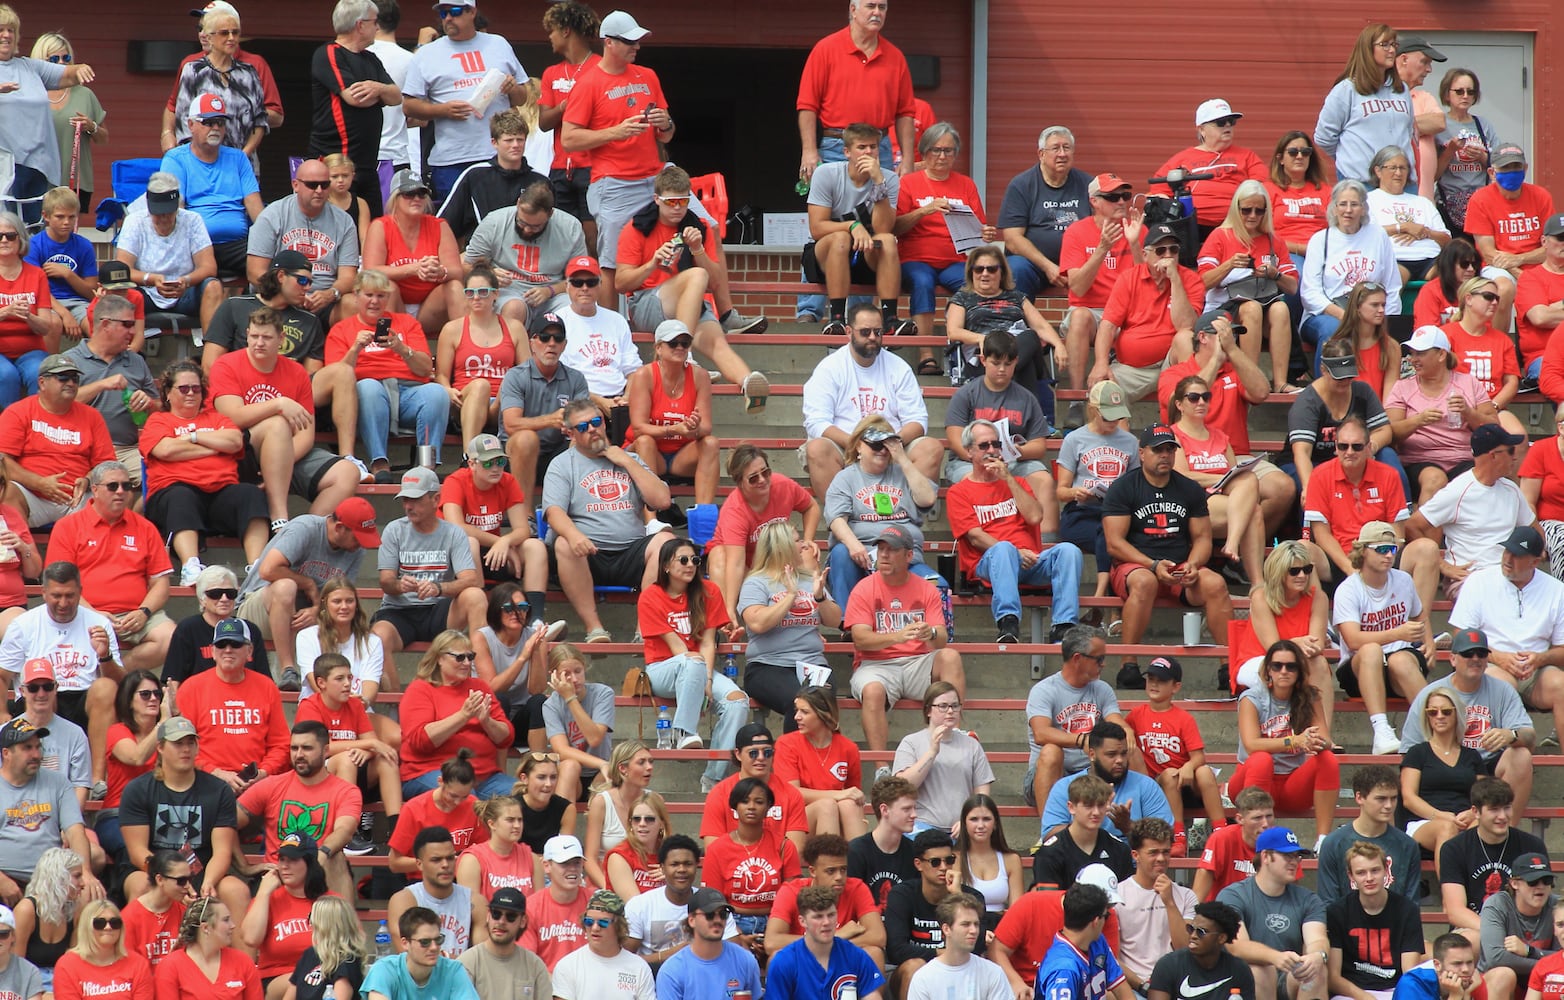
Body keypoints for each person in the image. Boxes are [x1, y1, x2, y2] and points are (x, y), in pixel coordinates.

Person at [613, 168, 768, 403]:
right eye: (671, 202)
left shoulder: (699, 226)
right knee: (696, 275)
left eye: (683, 201)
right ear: (657, 200)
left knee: (717, 341)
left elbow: (715, 282)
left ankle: (749, 384)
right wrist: (652, 263)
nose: (677, 207)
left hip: (688, 304)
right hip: (647, 303)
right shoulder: (636, 228)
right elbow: (620, 283)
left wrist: (698, 250)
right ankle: (685, 354)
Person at [209, 307, 361, 535]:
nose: (259, 343)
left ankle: (302, 535)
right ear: (247, 334)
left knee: (348, 473)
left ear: (281, 339)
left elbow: (306, 435)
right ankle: (279, 519)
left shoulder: (296, 372)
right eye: (254, 336)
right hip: (240, 453)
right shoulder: (226, 365)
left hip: (289, 454)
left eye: (267, 337)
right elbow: (233, 416)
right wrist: (278, 404)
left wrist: (281, 465)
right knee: (277, 424)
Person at [201, 250, 360, 466]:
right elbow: (211, 364)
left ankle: (349, 458)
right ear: (281, 276)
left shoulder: (309, 320)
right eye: (302, 280)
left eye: (310, 282)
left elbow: (310, 374)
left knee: (343, 372)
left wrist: (282, 395)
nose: (307, 287)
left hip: (290, 392)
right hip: (241, 393)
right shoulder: (235, 306)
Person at [1103, 424, 1232, 688]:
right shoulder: (1123, 487)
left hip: (1179, 566)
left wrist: (1194, 564)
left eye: (1170, 449)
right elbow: (1114, 543)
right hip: (1135, 565)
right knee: (1144, 582)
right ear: (1141, 453)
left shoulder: (1189, 489)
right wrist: (1151, 564)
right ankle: (1128, 667)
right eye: (1157, 450)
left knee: (1215, 584)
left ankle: (1229, 667)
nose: (1165, 455)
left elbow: (1203, 539)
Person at [558, 9, 680, 284]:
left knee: (709, 227)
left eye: (638, 41)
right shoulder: (588, 82)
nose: (636, 46)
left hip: (656, 177)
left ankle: (726, 312)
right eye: (629, 41)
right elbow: (569, 139)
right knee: (611, 261)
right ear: (608, 42)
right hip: (614, 183)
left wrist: (666, 123)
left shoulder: (648, 75)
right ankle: (612, 324)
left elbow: (667, 136)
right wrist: (617, 132)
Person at [542, 397, 675, 643]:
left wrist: (625, 460)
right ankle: (595, 629)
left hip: (631, 554)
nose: (592, 429)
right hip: (588, 554)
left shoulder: (630, 460)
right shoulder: (562, 465)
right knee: (563, 543)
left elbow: (662, 500)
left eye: (596, 421)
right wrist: (573, 535)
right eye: (583, 427)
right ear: (571, 433)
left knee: (667, 542)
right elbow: (554, 513)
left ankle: (644, 629)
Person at [947, 416, 1082, 643]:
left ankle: (1063, 625)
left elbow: (1035, 516)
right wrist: (1015, 552)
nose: (992, 450)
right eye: (984, 445)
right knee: (1003, 549)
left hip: (1030, 561)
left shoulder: (1017, 482)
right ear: (969, 452)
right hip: (989, 563)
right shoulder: (958, 492)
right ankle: (1008, 622)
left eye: (996, 444)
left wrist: (1008, 478)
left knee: (1069, 551)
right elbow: (975, 536)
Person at [140, 361, 269, 583]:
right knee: (182, 496)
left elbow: (235, 441)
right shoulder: (158, 420)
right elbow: (166, 449)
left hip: (220, 493)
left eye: (196, 388)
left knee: (251, 494)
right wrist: (214, 447)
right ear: (168, 393)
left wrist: (193, 437)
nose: (191, 393)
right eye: (183, 388)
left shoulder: (217, 418)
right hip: (174, 494)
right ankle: (191, 566)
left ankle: (257, 570)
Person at [44, 460, 176, 674]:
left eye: (127, 486)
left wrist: (143, 611)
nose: (121, 491)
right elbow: (58, 584)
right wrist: (94, 613)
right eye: (113, 486)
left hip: (137, 615)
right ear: (94, 490)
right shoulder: (68, 527)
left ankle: (119, 674)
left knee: (171, 638)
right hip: (82, 612)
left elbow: (161, 583)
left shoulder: (145, 528)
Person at [234, 501, 379, 692]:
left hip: (305, 613)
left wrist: (318, 610)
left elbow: (342, 592)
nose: (361, 543)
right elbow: (268, 570)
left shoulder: (356, 550)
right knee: (286, 586)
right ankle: (288, 669)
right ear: (339, 528)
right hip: (259, 608)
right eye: (358, 536)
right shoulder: (305, 528)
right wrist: (308, 584)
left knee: (343, 607)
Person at [845, 524, 965, 752]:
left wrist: (929, 633)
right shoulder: (863, 589)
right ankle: (881, 768)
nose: (884, 554)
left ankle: (953, 743)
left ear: (909, 555)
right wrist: (897, 637)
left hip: (917, 663)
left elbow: (941, 639)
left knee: (950, 657)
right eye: (881, 549)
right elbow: (860, 639)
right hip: (875, 665)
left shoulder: (927, 589)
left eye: (892, 549)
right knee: (872, 690)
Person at [0, 562, 121, 789]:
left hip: (84, 701)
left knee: (105, 687)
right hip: (37, 696)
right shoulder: (24, 625)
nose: (63, 603)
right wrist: (2, 712)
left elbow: (120, 686)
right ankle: (42, 782)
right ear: (43, 592)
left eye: (70, 596)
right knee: (45, 690)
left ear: (80, 593)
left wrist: (105, 656)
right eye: (56, 596)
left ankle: (96, 781)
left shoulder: (99, 624)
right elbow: (2, 675)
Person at [117, 717, 248, 925]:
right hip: (152, 869)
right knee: (141, 885)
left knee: (235, 889)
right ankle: (138, 954)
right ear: (160, 747)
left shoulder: (219, 790)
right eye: (178, 743)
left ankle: (243, 959)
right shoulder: (138, 790)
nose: (186, 749)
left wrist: (208, 882)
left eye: (191, 743)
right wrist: (172, 880)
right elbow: (137, 853)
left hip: (202, 869)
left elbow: (222, 851)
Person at [801, 304, 940, 498]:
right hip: (846, 447)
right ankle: (840, 521)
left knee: (931, 448)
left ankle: (904, 520)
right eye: (865, 332)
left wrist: (891, 444)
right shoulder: (829, 368)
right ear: (849, 331)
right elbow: (816, 422)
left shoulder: (899, 368)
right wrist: (857, 444)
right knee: (817, 448)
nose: (873, 337)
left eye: (878, 331)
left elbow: (918, 420)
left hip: (892, 446)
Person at [1448, 525, 1564, 755]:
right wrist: (1498, 657)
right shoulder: (1479, 581)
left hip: (1535, 671)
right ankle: (1498, 764)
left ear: (1535, 561)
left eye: (1517, 555)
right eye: (1506, 551)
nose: (1508, 559)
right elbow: (1460, 635)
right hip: (1489, 662)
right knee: (1501, 686)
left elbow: (1562, 649)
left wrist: (1540, 659)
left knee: (1562, 685)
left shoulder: (1556, 590)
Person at [892, 122, 998, 373]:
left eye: (948, 151)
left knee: (971, 284)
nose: (942, 156)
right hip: (916, 258)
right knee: (922, 282)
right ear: (925, 152)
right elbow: (895, 227)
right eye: (936, 150)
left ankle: (968, 352)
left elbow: (978, 227)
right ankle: (926, 352)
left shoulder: (965, 185)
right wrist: (925, 210)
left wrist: (986, 233)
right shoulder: (908, 183)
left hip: (955, 259)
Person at [325, 269, 448, 477]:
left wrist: (401, 348)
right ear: (356, 296)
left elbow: (426, 368)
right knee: (369, 387)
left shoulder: (407, 323)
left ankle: (427, 465)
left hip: (409, 392)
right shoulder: (342, 329)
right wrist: (355, 348)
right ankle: (379, 462)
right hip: (368, 395)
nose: (374, 301)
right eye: (369, 295)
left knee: (437, 393)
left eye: (381, 295)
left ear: (388, 298)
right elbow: (336, 375)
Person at [1400, 423, 1533, 612]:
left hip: (1508, 574)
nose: (1515, 456)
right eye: (1510, 451)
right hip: (1469, 577)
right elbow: (1413, 525)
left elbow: (1534, 531)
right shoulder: (1458, 490)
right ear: (1493, 455)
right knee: (1498, 601)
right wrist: (1443, 566)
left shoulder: (1512, 489)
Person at [399, 0, 523, 201]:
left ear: (472, 11)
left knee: (502, 221)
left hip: (498, 155)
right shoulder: (426, 54)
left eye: (454, 11)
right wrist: (442, 111)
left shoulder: (498, 44)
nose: (448, 18)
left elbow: (522, 97)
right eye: (443, 13)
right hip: (451, 158)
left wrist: (513, 88)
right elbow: (409, 105)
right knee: (455, 226)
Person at [1229, 641, 1340, 849]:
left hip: (1290, 785)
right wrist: (1294, 741)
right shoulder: (1251, 698)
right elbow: (1252, 745)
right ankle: (1258, 842)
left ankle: (1323, 840)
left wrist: (1315, 741)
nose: (1284, 671)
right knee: (1261, 759)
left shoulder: (1309, 696)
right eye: (1277, 666)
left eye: (1291, 666)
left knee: (1328, 759)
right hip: (1250, 781)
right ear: (1267, 670)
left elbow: (1326, 740)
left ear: (1299, 670)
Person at [824, 415, 943, 609]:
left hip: (905, 560)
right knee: (841, 553)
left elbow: (927, 499)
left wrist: (902, 459)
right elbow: (836, 519)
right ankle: (848, 623)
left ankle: (926, 637)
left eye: (886, 445)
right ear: (859, 446)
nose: (882, 451)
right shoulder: (845, 478)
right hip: (862, 557)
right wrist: (855, 546)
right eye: (875, 445)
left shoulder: (904, 473)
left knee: (940, 587)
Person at [1332, 522, 1432, 753]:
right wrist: (1396, 634)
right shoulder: (1348, 589)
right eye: (1381, 549)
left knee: (1400, 660)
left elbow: (1419, 614)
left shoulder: (1403, 580)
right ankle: (1381, 731)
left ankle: (1430, 731)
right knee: (1370, 650)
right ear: (1363, 551)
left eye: (1393, 549)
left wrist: (1429, 644)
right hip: (1359, 669)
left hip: (1400, 662)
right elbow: (1353, 640)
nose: (1388, 555)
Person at [235, 721, 361, 899]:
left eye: (307, 748)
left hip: (319, 874)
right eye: (294, 748)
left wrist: (321, 854)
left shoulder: (345, 791)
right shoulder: (271, 785)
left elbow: (345, 830)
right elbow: (225, 823)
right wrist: (244, 867)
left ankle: (341, 925)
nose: (299, 755)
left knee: (337, 858)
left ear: (326, 751)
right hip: (279, 875)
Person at [795, 0, 915, 184]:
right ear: (853, 10)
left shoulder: (895, 57)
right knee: (833, 211)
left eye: (882, 8)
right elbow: (807, 105)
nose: (877, 12)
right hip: (837, 145)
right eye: (870, 6)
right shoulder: (826, 49)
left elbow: (905, 112)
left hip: (879, 147)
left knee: (882, 209)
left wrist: (907, 159)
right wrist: (809, 150)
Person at [290, 655, 398, 856]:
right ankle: (346, 833)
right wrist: (366, 744)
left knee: (386, 758)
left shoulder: (354, 705)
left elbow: (372, 742)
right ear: (321, 683)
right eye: (340, 679)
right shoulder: (309, 706)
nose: (348, 684)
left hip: (354, 776)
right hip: (319, 778)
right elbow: (320, 748)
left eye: (349, 677)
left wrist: (365, 749)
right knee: (347, 759)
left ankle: (397, 831)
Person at [803, 123, 904, 338]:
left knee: (886, 239)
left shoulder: (889, 179)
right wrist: (852, 225)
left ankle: (890, 319)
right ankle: (837, 319)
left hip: (865, 255)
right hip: (826, 254)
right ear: (847, 152)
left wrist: (879, 182)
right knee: (840, 238)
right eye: (862, 147)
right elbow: (817, 228)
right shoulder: (826, 174)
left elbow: (883, 228)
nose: (868, 152)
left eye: (873, 147)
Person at [1165, 370, 1266, 585]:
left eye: (1206, 397)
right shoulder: (1174, 435)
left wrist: (1229, 478)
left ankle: (1255, 581)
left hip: (1222, 501)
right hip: (1191, 503)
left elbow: (1234, 475)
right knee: (1252, 511)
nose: (1201, 402)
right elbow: (1182, 476)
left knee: (1250, 483)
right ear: (1180, 405)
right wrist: (1220, 479)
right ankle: (1251, 573)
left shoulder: (1220, 436)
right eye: (1193, 398)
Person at [738, 525, 839, 732]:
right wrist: (791, 595)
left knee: (821, 703)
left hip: (813, 664)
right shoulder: (756, 583)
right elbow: (758, 623)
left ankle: (818, 762)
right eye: (797, 540)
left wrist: (820, 597)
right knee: (801, 702)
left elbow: (835, 620)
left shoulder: (809, 578)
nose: (803, 545)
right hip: (768, 666)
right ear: (781, 546)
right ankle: (792, 762)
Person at [1088, 224, 1202, 402]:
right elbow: (1108, 326)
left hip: (1171, 364)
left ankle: (1182, 428)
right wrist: (1100, 363)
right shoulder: (1129, 278)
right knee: (1104, 394)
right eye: (1160, 250)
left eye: (1174, 250)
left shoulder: (1190, 279)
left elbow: (1185, 325)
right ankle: (1121, 431)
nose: (1168, 256)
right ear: (1144, 255)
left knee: (1185, 337)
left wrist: (1175, 280)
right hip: (1132, 369)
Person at [1385, 325, 1497, 506]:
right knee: (1434, 479)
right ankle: (1424, 532)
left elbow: (1494, 428)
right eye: (1412, 353)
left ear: (1441, 355)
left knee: (1481, 479)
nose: (1413, 359)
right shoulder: (1402, 387)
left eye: (1420, 353)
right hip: (1420, 461)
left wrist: (1469, 413)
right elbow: (1390, 432)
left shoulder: (1468, 383)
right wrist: (1418, 421)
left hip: (1463, 458)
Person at [307, 1, 399, 219]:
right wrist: (381, 95)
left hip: (367, 165)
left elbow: (396, 97)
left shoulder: (371, 59)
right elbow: (355, 98)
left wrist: (378, 88)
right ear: (360, 25)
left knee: (374, 227)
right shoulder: (329, 53)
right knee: (335, 229)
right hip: (336, 166)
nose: (378, 27)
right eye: (375, 22)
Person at [173, 617, 289, 790]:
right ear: (212, 651)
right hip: (205, 781)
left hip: (257, 783)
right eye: (221, 645)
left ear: (250, 651)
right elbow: (180, 745)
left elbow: (280, 743)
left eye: (235, 644)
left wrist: (264, 772)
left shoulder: (267, 687)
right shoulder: (191, 688)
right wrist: (216, 773)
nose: (228, 650)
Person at [1126, 655, 1225, 854]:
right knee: (1170, 774)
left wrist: (1188, 767)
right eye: (1151, 678)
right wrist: (1127, 730)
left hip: (1185, 782)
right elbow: (1119, 731)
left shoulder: (1183, 718)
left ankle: (1221, 830)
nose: (1154, 684)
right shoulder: (1136, 714)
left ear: (1176, 687)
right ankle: (1178, 836)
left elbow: (1198, 756)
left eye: (1161, 680)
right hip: (1159, 785)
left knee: (1204, 772)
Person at [0, 11, 95, 218]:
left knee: (33, 232)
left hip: (37, 166)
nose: (6, 35)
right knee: (7, 232)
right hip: (4, 169)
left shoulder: (29, 67)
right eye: (1, 30)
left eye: (11, 30)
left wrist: (81, 68)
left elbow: (68, 73)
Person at [158, 95, 262, 283]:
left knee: (273, 264)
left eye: (220, 122)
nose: (215, 128)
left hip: (238, 245)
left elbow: (256, 209)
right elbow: (176, 211)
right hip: (196, 244)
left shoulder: (238, 158)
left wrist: (268, 242)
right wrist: (197, 243)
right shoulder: (176, 159)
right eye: (208, 122)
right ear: (190, 125)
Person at [1057, 173, 1143, 403]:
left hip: (1128, 315)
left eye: (1125, 195)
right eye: (1113, 197)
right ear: (1094, 201)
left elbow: (1148, 285)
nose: (1122, 202)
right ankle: (1076, 400)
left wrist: (1135, 244)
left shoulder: (1138, 229)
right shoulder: (1077, 232)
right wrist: (1102, 249)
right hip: (1092, 311)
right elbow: (1078, 288)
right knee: (1079, 316)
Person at [245, 160, 362, 328]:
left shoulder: (344, 221)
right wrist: (288, 294)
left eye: (324, 184)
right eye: (312, 185)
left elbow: (348, 276)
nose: (319, 191)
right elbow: (254, 272)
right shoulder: (272, 215)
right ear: (296, 184)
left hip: (323, 301)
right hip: (279, 298)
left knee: (354, 303)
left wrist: (330, 294)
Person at [1218, 826, 1329, 1000]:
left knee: (1316, 971)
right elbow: (1236, 945)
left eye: (1297, 856)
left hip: (1289, 977)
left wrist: (1317, 956)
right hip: (1243, 980)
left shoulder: (1308, 899)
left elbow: (1317, 939)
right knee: (1261, 970)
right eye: (1287, 856)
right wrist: (1274, 957)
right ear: (1265, 857)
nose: (1294, 861)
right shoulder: (1233, 895)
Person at [1299, 181, 1403, 365]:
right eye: (1343, 204)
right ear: (1334, 208)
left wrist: (1385, 319)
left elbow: (1392, 286)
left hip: (1370, 310)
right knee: (1333, 331)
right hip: (1328, 313)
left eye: (1354, 204)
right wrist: (1345, 317)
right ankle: (1325, 390)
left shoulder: (1378, 236)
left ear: (1363, 209)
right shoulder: (1320, 240)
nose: (1348, 210)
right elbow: (1310, 294)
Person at [1230, 543, 1333, 728]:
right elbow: (1273, 648)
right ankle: (1289, 731)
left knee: (1319, 662)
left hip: (1299, 658)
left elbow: (1316, 645)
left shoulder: (1319, 598)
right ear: (1279, 572)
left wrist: (1299, 645)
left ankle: (1322, 734)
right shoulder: (1261, 596)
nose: (1302, 575)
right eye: (1294, 571)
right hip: (1257, 659)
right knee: (1283, 667)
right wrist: (1296, 643)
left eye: (1307, 569)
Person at [460, 183, 586, 329]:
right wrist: (489, 275)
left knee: (575, 308)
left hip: (552, 292)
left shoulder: (570, 227)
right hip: (507, 291)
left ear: (550, 214)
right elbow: (466, 266)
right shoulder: (494, 222)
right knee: (515, 307)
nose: (526, 230)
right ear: (518, 203)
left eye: (535, 226)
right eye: (522, 222)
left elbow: (580, 278)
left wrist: (550, 291)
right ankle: (506, 350)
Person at [1289, 342, 1403, 503]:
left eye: (1349, 376)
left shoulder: (1362, 391)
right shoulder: (1308, 402)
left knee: (1388, 456)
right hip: (1315, 460)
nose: (1344, 381)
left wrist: (1369, 448)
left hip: (1353, 455)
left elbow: (1384, 430)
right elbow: (1302, 452)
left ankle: (1401, 509)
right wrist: (1309, 486)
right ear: (1323, 370)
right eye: (1338, 376)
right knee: (1317, 488)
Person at [1440, 777, 1546, 946]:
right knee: (1469, 941)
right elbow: (1456, 911)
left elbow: (1542, 898)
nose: (1502, 816)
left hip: (1522, 931)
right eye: (1494, 809)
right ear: (1476, 812)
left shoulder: (1532, 845)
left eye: (1507, 808)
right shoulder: (1454, 848)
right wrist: (1496, 932)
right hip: (1474, 929)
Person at [1024, 625, 1121, 810]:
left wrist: (1128, 731)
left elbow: (1116, 720)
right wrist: (1082, 740)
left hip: (1090, 773)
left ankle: (1142, 828)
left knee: (1128, 748)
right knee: (1051, 751)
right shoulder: (1044, 690)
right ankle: (1050, 834)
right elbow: (1041, 734)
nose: (1104, 664)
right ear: (1077, 658)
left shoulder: (1102, 689)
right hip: (1047, 775)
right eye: (1099, 659)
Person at [623, 319, 717, 510]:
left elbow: (706, 426)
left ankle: (703, 517)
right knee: (645, 441)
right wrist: (675, 429)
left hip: (680, 455)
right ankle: (651, 518)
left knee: (710, 443)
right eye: (673, 343)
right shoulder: (645, 375)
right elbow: (639, 428)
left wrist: (694, 429)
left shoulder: (701, 376)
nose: (680, 347)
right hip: (645, 451)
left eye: (685, 343)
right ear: (658, 348)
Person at [164, 3, 274, 163]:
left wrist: (242, 156)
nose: (231, 38)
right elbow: (183, 122)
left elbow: (260, 121)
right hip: (201, 164)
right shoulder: (193, 70)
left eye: (235, 33)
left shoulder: (250, 72)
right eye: (224, 33)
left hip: (242, 163)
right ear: (210, 37)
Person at [114, 175, 223, 330]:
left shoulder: (193, 220)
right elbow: (122, 270)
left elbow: (209, 267)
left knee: (213, 286)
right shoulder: (134, 221)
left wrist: (186, 281)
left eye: (169, 213)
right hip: (146, 292)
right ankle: (127, 350)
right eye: (158, 214)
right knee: (120, 291)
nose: (164, 218)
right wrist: (150, 279)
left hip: (185, 293)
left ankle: (212, 349)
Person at [361, 173, 462, 337]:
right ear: (395, 198)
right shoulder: (381, 226)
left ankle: (465, 350)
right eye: (409, 194)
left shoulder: (439, 225)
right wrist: (413, 269)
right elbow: (370, 272)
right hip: (394, 302)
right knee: (387, 286)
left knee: (455, 287)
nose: (416, 198)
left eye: (421, 194)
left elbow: (456, 271)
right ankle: (383, 349)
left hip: (429, 307)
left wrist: (440, 272)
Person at [886, 830, 984, 996]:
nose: (944, 867)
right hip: (914, 971)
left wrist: (957, 897)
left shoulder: (971, 897)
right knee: (913, 966)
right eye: (935, 862)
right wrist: (942, 954)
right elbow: (896, 950)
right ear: (918, 864)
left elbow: (977, 946)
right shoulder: (902, 895)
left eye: (949, 860)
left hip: (958, 967)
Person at [1399, 687, 1484, 876]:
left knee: (1485, 826)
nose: (1439, 716)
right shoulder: (1417, 753)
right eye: (1432, 712)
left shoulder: (1472, 756)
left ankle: (1480, 896)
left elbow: (1485, 796)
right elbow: (1409, 798)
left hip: (1466, 819)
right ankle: (1450, 899)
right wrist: (1441, 816)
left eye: (1446, 711)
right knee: (1447, 828)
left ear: (1456, 714)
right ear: (1427, 717)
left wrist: (1472, 814)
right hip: (1425, 822)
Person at [1315, 24, 1416, 184]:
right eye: (1384, 45)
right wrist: (1350, 156)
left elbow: (1407, 131)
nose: (1391, 50)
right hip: (1361, 182)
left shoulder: (1402, 89)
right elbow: (1324, 137)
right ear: (1367, 49)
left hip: (1401, 182)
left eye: (1394, 45)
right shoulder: (1346, 89)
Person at [1039, 720, 1170, 842]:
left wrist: (1128, 826)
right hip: (1079, 863)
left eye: (1124, 754)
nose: (1119, 760)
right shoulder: (1065, 787)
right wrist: (1086, 823)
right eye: (1111, 754)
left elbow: (1165, 837)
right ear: (1092, 754)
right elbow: (1050, 837)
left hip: (1131, 864)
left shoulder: (1146, 786)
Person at [1439, 274, 1527, 451]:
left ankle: (1512, 480)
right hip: (1454, 409)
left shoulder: (1502, 340)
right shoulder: (1445, 335)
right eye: (1488, 297)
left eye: (1497, 298)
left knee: (1519, 438)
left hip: (1492, 408)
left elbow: (1511, 382)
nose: (1494, 302)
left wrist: (1493, 407)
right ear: (1469, 299)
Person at [765, 833, 886, 962]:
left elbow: (878, 937)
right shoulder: (790, 891)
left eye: (843, 869)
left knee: (874, 953)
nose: (839, 877)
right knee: (775, 958)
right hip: (804, 959)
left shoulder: (856, 888)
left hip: (841, 959)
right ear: (812, 871)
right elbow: (771, 942)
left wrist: (831, 944)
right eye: (831, 871)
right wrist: (836, 936)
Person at [893, 682, 995, 834]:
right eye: (943, 706)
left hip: (963, 827)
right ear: (928, 710)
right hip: (922, 825)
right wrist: (932, 751)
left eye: (955, 705)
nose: (950, 711)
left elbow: (982, 792)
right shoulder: (911, 742)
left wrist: (969, 819)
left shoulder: (971, 745)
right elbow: (903, 787)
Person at [437, 108, 550, 244]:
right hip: (483, 253)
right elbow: (443, 224)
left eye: (520, 140)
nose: (515, 145)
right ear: (494, 143)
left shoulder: (540, 181)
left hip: (530, 251)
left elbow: (556, 224)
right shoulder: (475, 176)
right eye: (508, 140)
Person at [623, 835, 736, 970]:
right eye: (674, 864)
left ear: (697, 866)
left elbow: (733, 951)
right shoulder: (640, 905)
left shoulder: (713, 903)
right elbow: (625, 959)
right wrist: (678, 952)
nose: (682, 869)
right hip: (653, 979)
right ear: (662, 868)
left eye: (688, 864)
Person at [436, 270, 522, 447]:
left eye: (483, 292)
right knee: (481, 385)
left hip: (502, 401)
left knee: (510, 381)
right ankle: (470, 455)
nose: (476, 298)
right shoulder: (452, 329)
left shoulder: (514, 327)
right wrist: (447, 389)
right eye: (470, 293)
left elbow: (527, 371)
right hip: (465, 400)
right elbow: (441, 374)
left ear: (495, 294)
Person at [1464, 144, 1552, 314]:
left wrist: (1519, 259)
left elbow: (1551, 247)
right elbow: (1487, 252)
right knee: (1503, 289)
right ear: (1492, 173)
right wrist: (1520, 273)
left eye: (1516, 166)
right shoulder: (1480, 200)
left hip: (1538, 264)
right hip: (1498, 267)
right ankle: (1501, 340)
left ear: (1525, 169)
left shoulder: (1541, 196)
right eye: (1505, 168)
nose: (1511, 171)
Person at [239, 832, 330, 994]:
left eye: (293, 860)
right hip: (276, 979)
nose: (284, 866)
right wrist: (263, 892)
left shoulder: (331, 902)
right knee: (301, 983)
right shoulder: (268, 899)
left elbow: (351, 949)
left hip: (323, 977)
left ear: (310, 863)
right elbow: (250, 939)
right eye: (282, 859)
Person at [1316, 766, 1421, 905]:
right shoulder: (1334, 844)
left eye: (1394, 798)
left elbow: (1411, 904)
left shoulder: (1407, 845)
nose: (1389, 805)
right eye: (1381, 799)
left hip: (1395, 924)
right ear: (1359, 797)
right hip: (1346, 924)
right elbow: (1328, 903)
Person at [1118, 820, 1201, 992]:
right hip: (1134, 986)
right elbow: (1110, 955)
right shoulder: (1118, 895)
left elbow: (1186, 947)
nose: (1161, 859)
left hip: (1178, 984)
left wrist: (1169, 903)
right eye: (1153, 852)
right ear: (1135, 855)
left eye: (1165, 852)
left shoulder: (1186, 896)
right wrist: (1143, 986)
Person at [774, 686, 864, 839]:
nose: (796, 717)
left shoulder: (848, 748)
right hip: (795, 821)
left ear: (825, 715)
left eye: (805, 712)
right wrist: (838, 795)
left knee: (849, 804)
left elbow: (854, 794)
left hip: (835, 817)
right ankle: (828, 863)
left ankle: (861, 862)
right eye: (797, 710)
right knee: (827, 806)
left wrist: (844, 797)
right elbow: (791, 793)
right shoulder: (786, 744)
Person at [654, 885, 766, 1000]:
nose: (717, 920)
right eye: (709, 915)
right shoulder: (672, 971)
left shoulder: (745, 960)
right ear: (692, 920)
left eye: (723, 914)